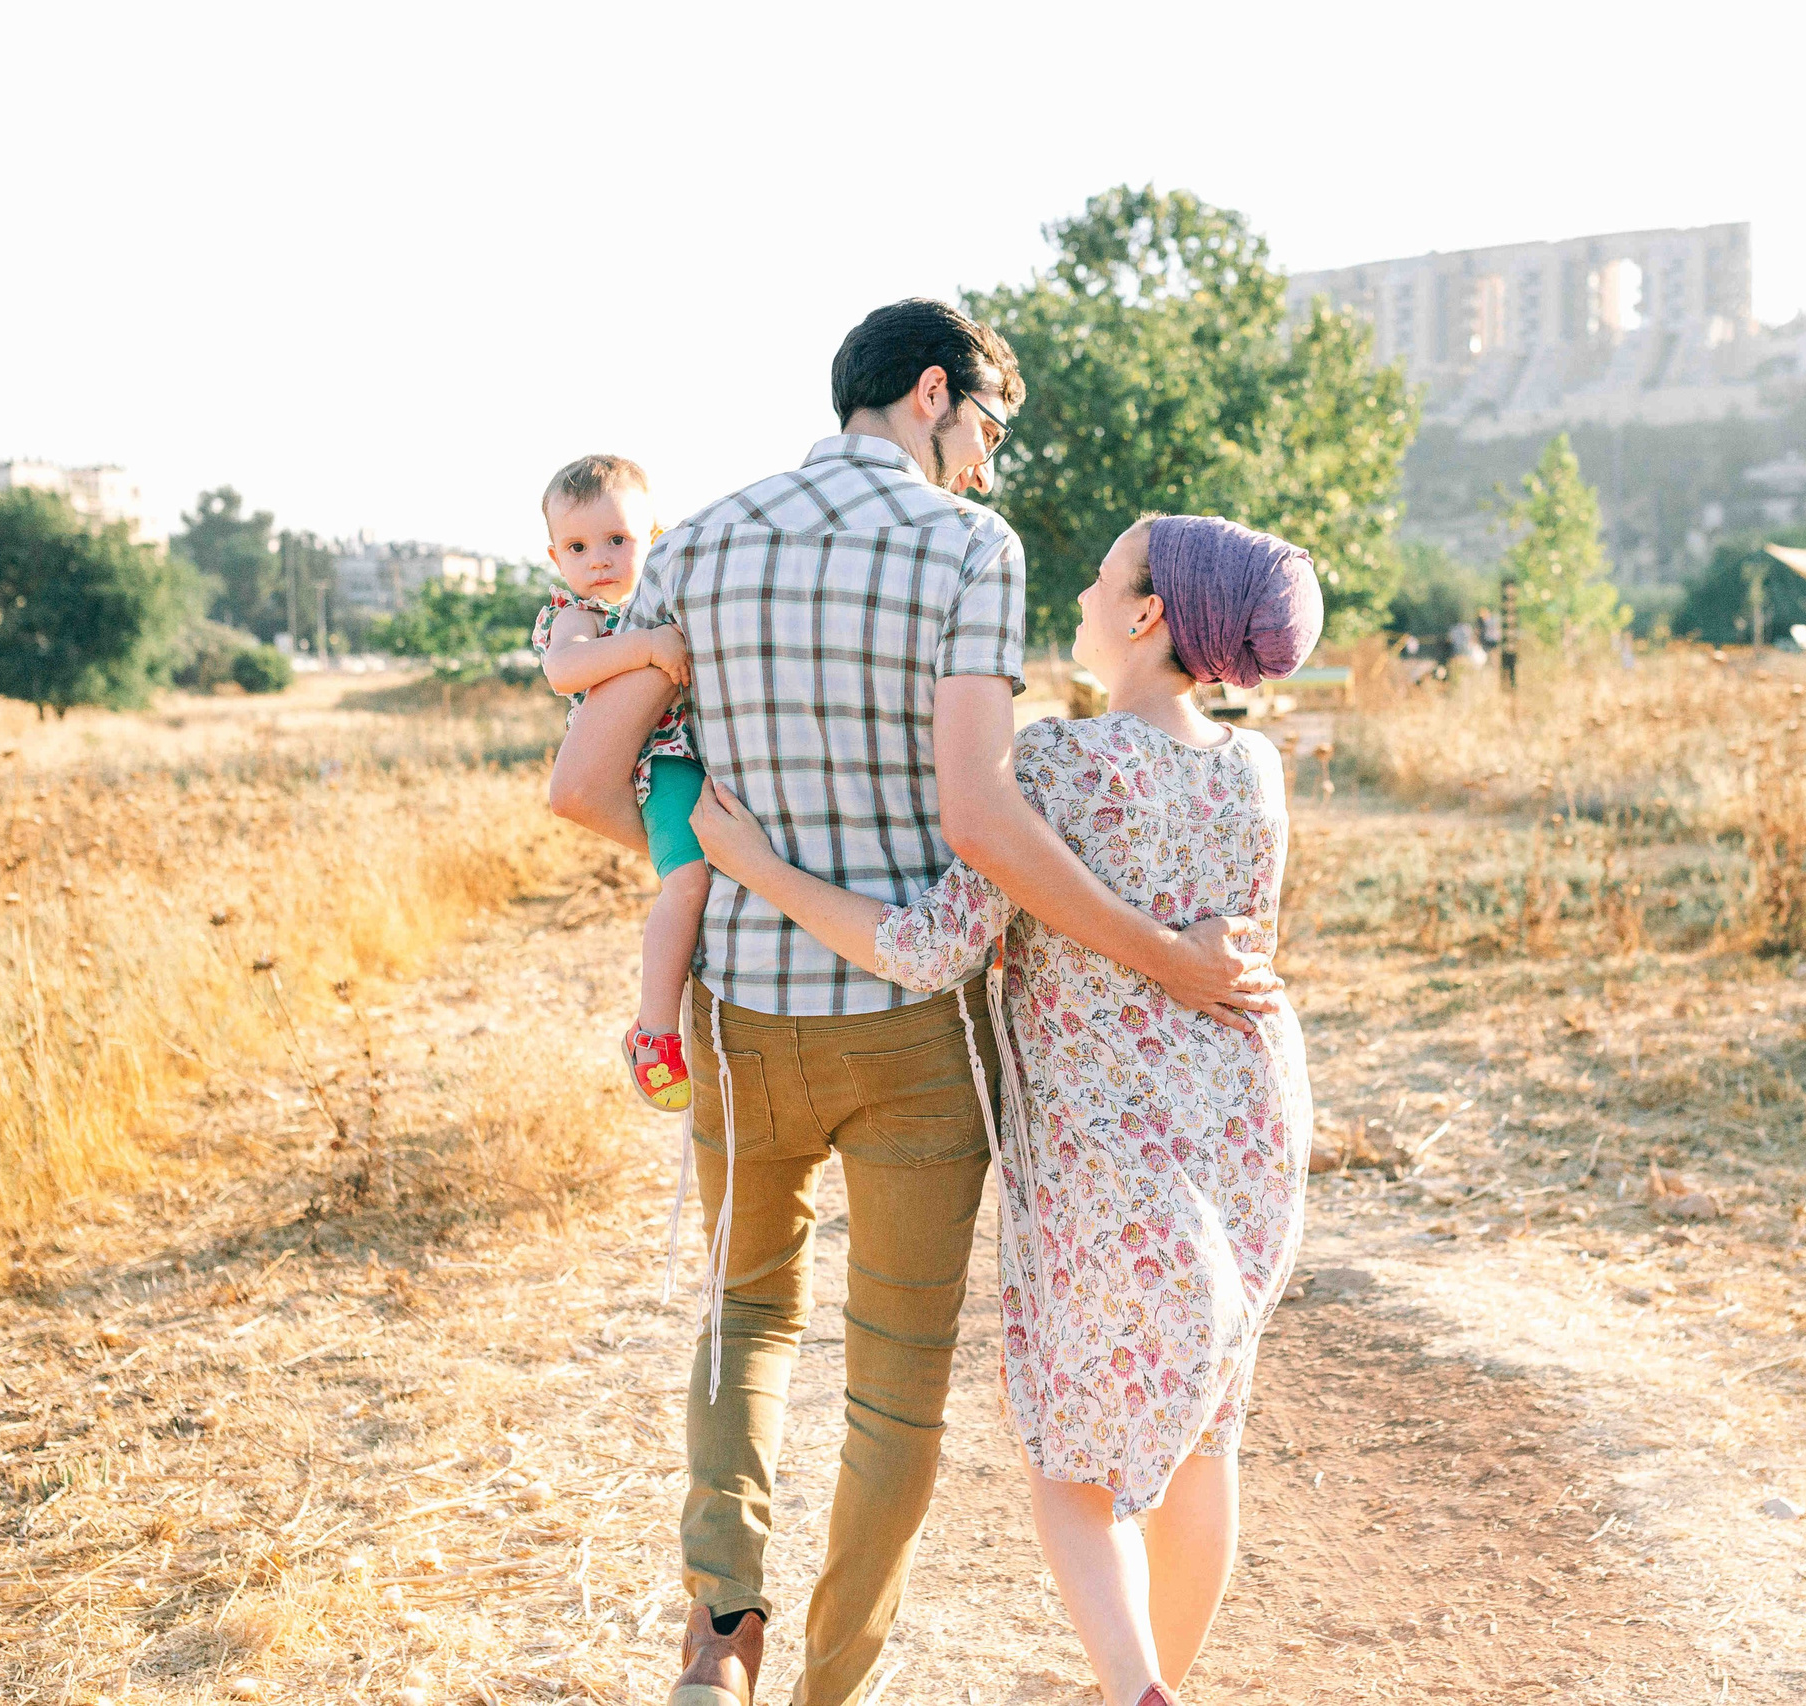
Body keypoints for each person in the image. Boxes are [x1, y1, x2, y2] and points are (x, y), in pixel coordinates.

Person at [545, 300, 1278, 1706]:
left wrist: (722, 864)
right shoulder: (967, 549)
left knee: (742, 1312)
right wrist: (1163, 954)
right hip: (915, 1035)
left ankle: (722, 1635)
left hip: (748, 1016)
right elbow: (978, 809)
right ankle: (835, 1683)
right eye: (988, 429)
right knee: (892, 1382)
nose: (990, 468)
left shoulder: (694, 542)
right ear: (931, 391)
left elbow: (583, 783)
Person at [690, 515, 1318, 1706]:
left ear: (1144, 614)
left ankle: (1136, 1692)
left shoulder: (1058, 765)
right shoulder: (1257, 770)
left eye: (1101, 573)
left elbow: (927, 946)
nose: (1079, 589)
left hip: (1109, 1143)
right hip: (1250, 1124)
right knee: (1203, 1428)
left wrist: (754, 863)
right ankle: (1145, 1687)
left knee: (1071, 1458)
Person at [530, 454, 704, 1111]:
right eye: (577, 546)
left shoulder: (662, 600)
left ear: (653, 538)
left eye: (616, 540)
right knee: (686, 883)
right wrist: (648, 646)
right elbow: (565, 670)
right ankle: (653, 1032)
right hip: (655, 762)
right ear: (555, 556)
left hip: (700, 754)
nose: (597, 560)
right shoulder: (577, 615)